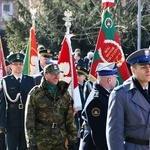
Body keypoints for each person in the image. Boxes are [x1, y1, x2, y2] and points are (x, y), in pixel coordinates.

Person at [25, 63, 78, 150]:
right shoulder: (35, 94)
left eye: (58, 73)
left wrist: (72, 139)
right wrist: (31, 144)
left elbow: (69, 119)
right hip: (42, 141)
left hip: (61, 140)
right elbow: (29, 122)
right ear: (45, 75)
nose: (56, 76)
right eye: (53, 74)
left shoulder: (64, 92)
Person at [106, 48, 150, 150]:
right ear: (133, 70)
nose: (148, 70)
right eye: (143, 67)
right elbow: (114, 134)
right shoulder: (120, 94)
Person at [0, 53, 35, 150]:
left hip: (26, 119)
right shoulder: (5, 81)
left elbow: (34, 102)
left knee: (24, 147)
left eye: (20, 64)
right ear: (10, 66)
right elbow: (2, 104)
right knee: (11, 147)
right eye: (15, 64)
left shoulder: (30, 80)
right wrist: (2, 124)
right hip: (11, 121)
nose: (18, 66)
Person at [79, 62, 118, 150]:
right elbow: (98, 132)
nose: (116, 80)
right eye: (115, 78)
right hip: (93, 146)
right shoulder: (97, 100)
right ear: (109, 80)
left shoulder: (101, 95)